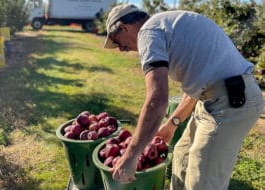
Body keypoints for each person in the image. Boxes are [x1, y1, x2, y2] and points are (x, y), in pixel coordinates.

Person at [103, 3, 264, 190]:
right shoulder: (166, 25)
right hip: (215, 98)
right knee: (182, 156)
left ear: (124, 27)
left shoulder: (148, 32)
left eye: (117, 40)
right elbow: (198, 83)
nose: (121, 49)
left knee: (202, 181)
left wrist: (131, 156)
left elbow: (157, 99)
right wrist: (172, 124)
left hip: (230, 102)